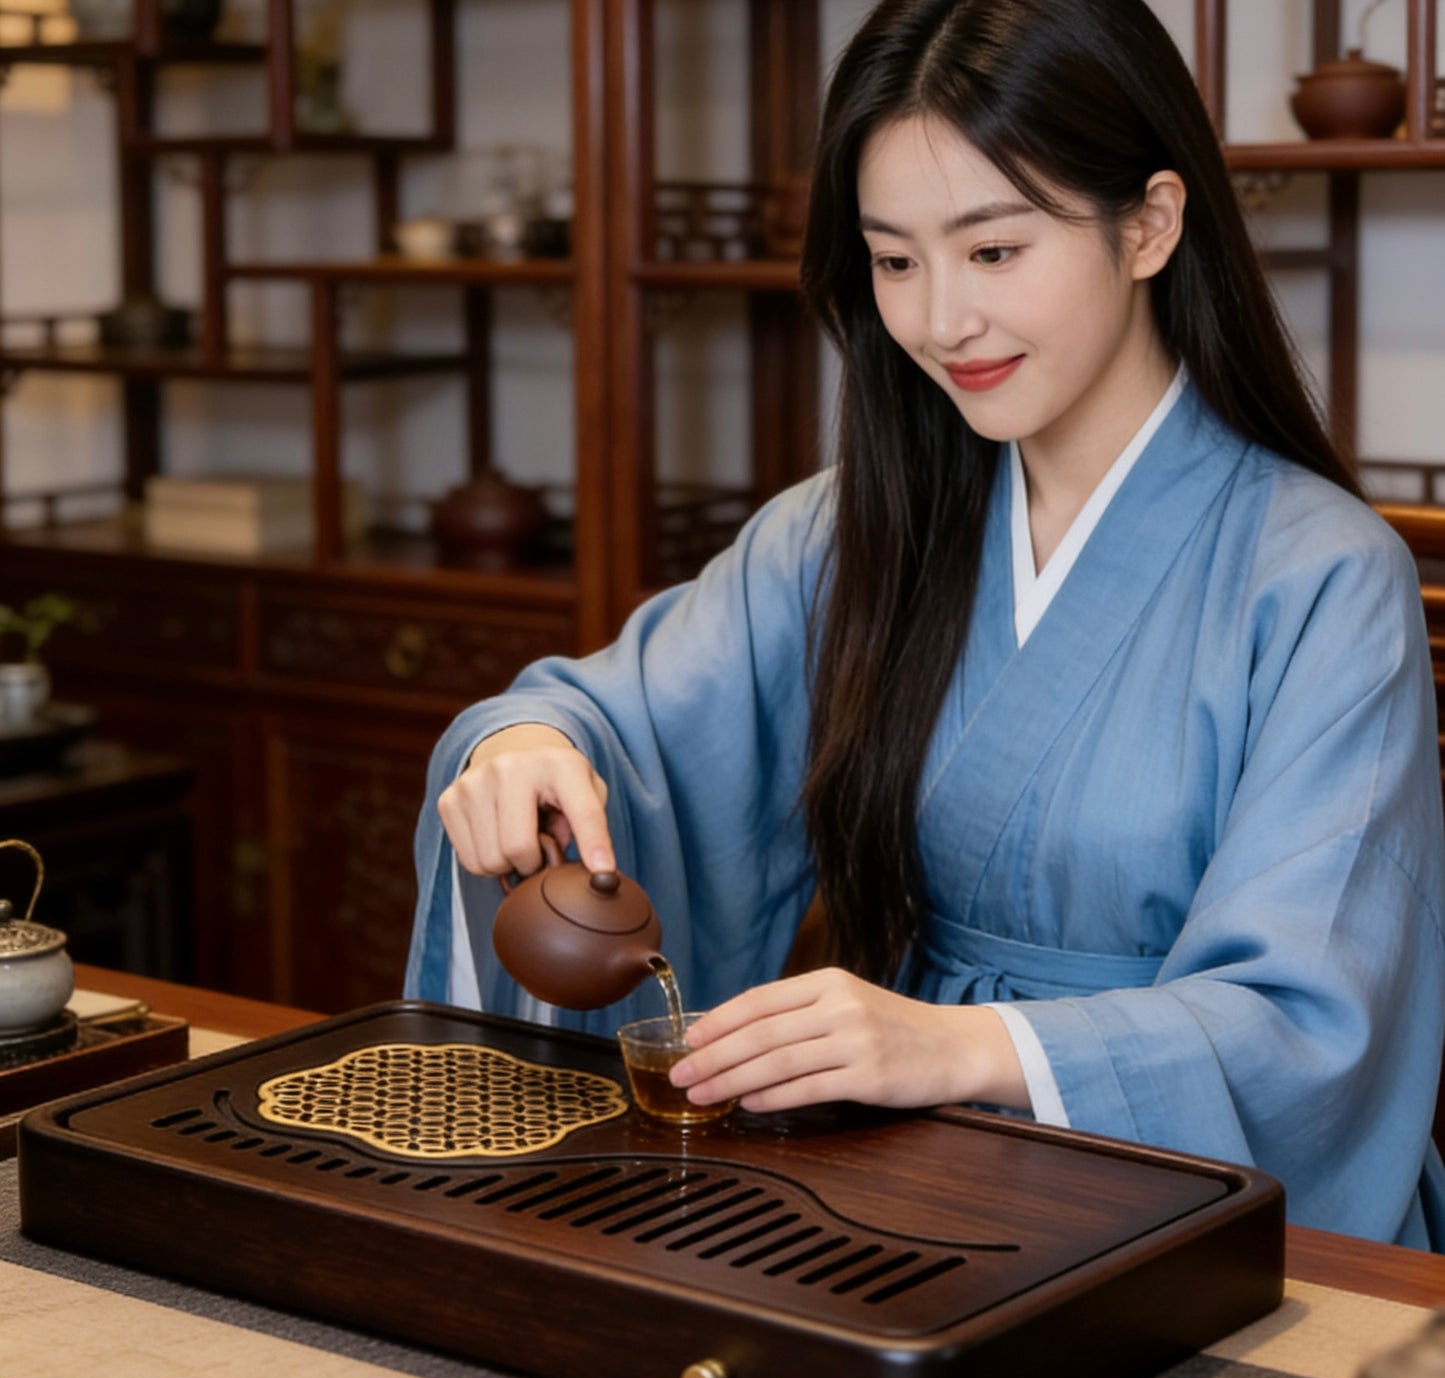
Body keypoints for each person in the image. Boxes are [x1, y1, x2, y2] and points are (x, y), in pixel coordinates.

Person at [406, 0, 1445, 1249]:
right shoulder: (851, 529)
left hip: (1184, 1201)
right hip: (899, 1173)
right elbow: (629, 723)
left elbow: (1307, 1016)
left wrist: (954, 1042)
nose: (940, 322)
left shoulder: (1324, 577)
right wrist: (523, 744)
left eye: (993, 251)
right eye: (894, 261)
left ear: (1150, 224)